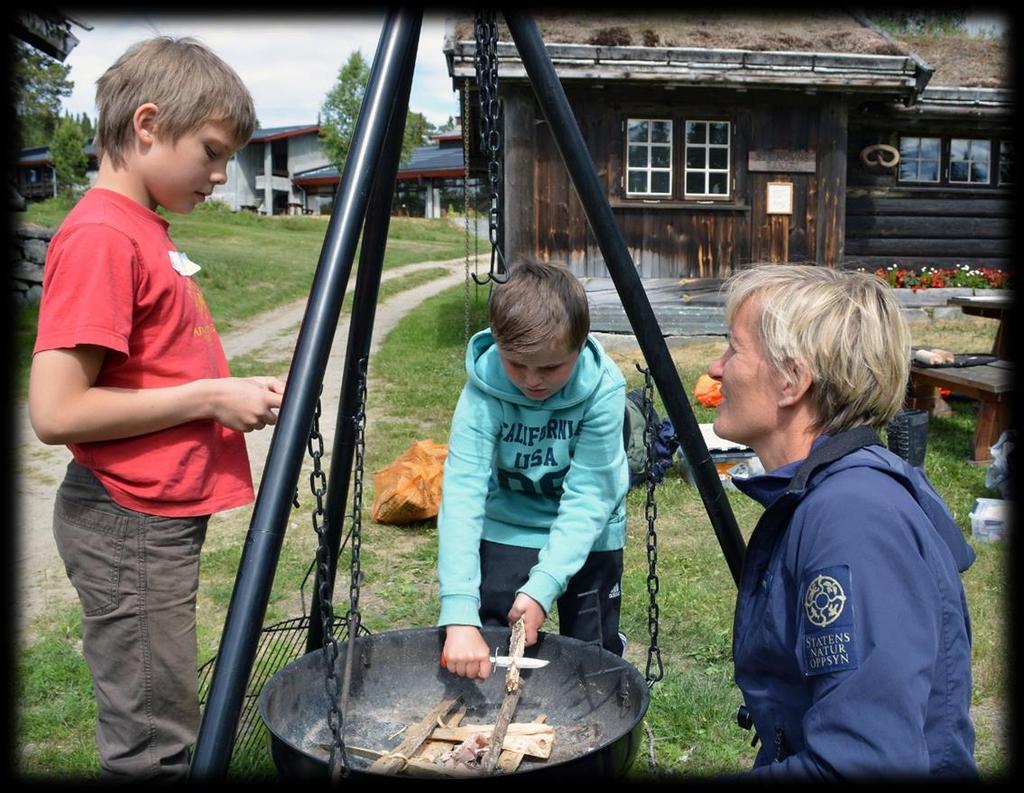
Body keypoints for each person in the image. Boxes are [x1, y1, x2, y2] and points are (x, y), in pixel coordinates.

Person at [28, 37, 285, 781]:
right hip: (127, 519)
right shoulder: (105, 233)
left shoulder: (141, 229)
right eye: (210, 150)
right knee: (153, 740)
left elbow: (150, 365)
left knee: (164, 708)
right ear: (147, 124)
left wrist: (240, 387)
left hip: (151, 520)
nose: (218, 174)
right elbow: (56, 409)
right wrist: (209, 397)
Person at [706, 264, 976, 779]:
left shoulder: (853, 518)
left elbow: (863, 764)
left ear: (792, 380)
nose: (718, 370)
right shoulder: (830, 495)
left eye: (733, 349)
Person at [437, 259, 629, 679]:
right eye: (517, 364)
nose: (531, 381)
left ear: (580, 345)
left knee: (591, 659)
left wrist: (543, 587)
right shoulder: (484, 389)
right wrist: (457, 611)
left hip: (591, 532)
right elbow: (463, 494)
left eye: (550, 367)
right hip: (510, 521)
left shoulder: (603, 389)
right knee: (493, 643)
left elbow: (590, 496)